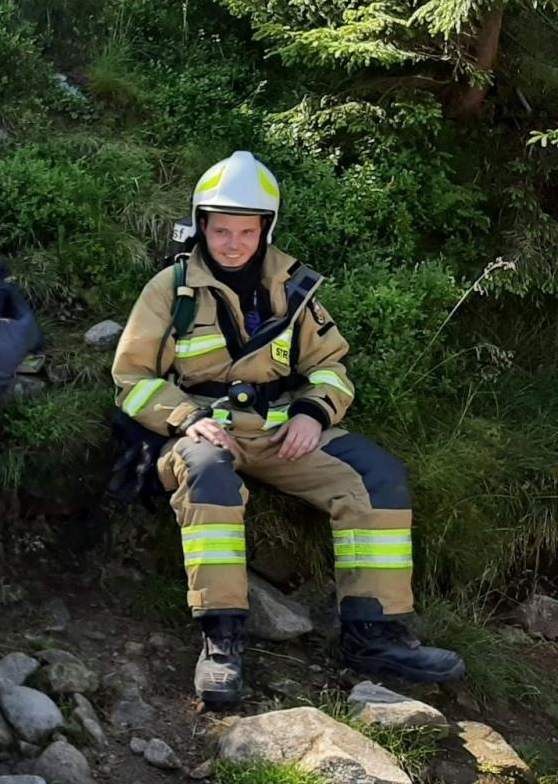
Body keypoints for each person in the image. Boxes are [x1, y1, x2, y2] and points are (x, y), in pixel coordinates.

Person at [111, 150, 465, 705]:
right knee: (209, 477)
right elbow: (132, 380)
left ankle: (374, 634)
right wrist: (190, 419)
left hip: (281, 434)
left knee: (378, 477)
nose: (231, 243)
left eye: (245, 231)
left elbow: (331, 368)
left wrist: (312, 412)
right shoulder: (170, 289)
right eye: (220, 229)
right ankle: (222, 642)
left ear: (265, 229)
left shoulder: (295, 288)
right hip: (205, 438)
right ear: (202, 225)